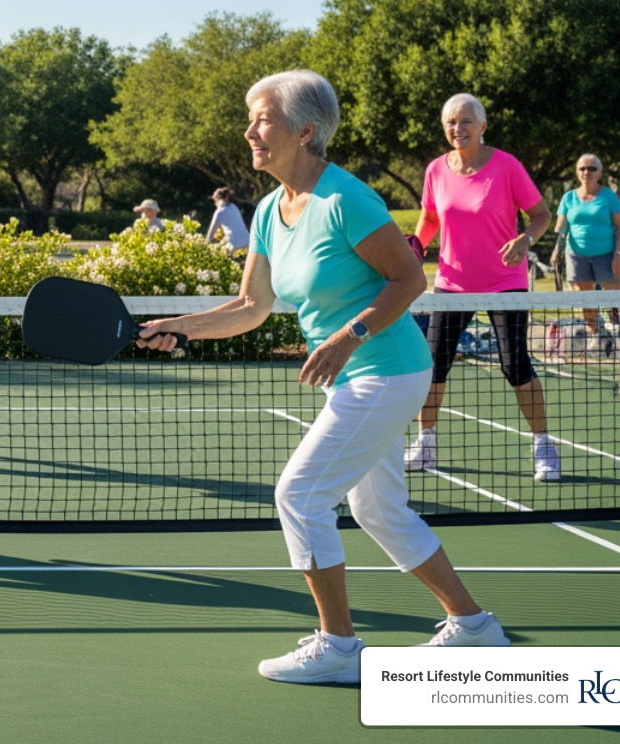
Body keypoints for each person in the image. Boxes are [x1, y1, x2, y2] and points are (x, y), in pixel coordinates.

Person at [139, 70, 508, 685]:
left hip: (385, 372)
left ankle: (340, 646)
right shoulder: (266, 210)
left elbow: (409, 280)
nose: (250, 130)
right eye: (252, 118)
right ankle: (475, 629)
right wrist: (179, 324)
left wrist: (345, 338)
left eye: (263, 118)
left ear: (305, 131)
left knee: (299, 496)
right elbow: (250, 307)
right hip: (362, 379)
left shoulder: (347, 200)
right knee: (379, 511)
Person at [403, 94, 557, 481]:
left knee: (514, 363)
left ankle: (543, 446)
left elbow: (541, 215)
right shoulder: (436, 169)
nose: (458, 129)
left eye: (466, 121)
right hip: (452, 284)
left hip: (506, 282)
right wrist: (417, 245)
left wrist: (525, 240)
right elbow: (430, 217)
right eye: (451, 122)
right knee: (433, 365)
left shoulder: (507, 166)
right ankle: (426, 443)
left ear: (482, 126)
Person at [549, 154, 620, 351]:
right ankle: (596, 334)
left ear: (599, 172)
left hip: (606, 253)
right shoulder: (569, 197)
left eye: (592, 168)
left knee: (616, 298)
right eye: (582, 168)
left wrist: (618, 255)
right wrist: (557, 248)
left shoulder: (608, 196)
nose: (587, 172)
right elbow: (562, 227)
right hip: (576, 254)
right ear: (577, 172)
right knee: (585, 298)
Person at [203, 187, 250, 252]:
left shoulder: (219, 212)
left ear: (217, 199)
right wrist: (222, 242)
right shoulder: (234, 207)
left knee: (222, 256)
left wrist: (204, 247)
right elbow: (235, 231)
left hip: (234, 243)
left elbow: (210, 235)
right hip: (248, 241)